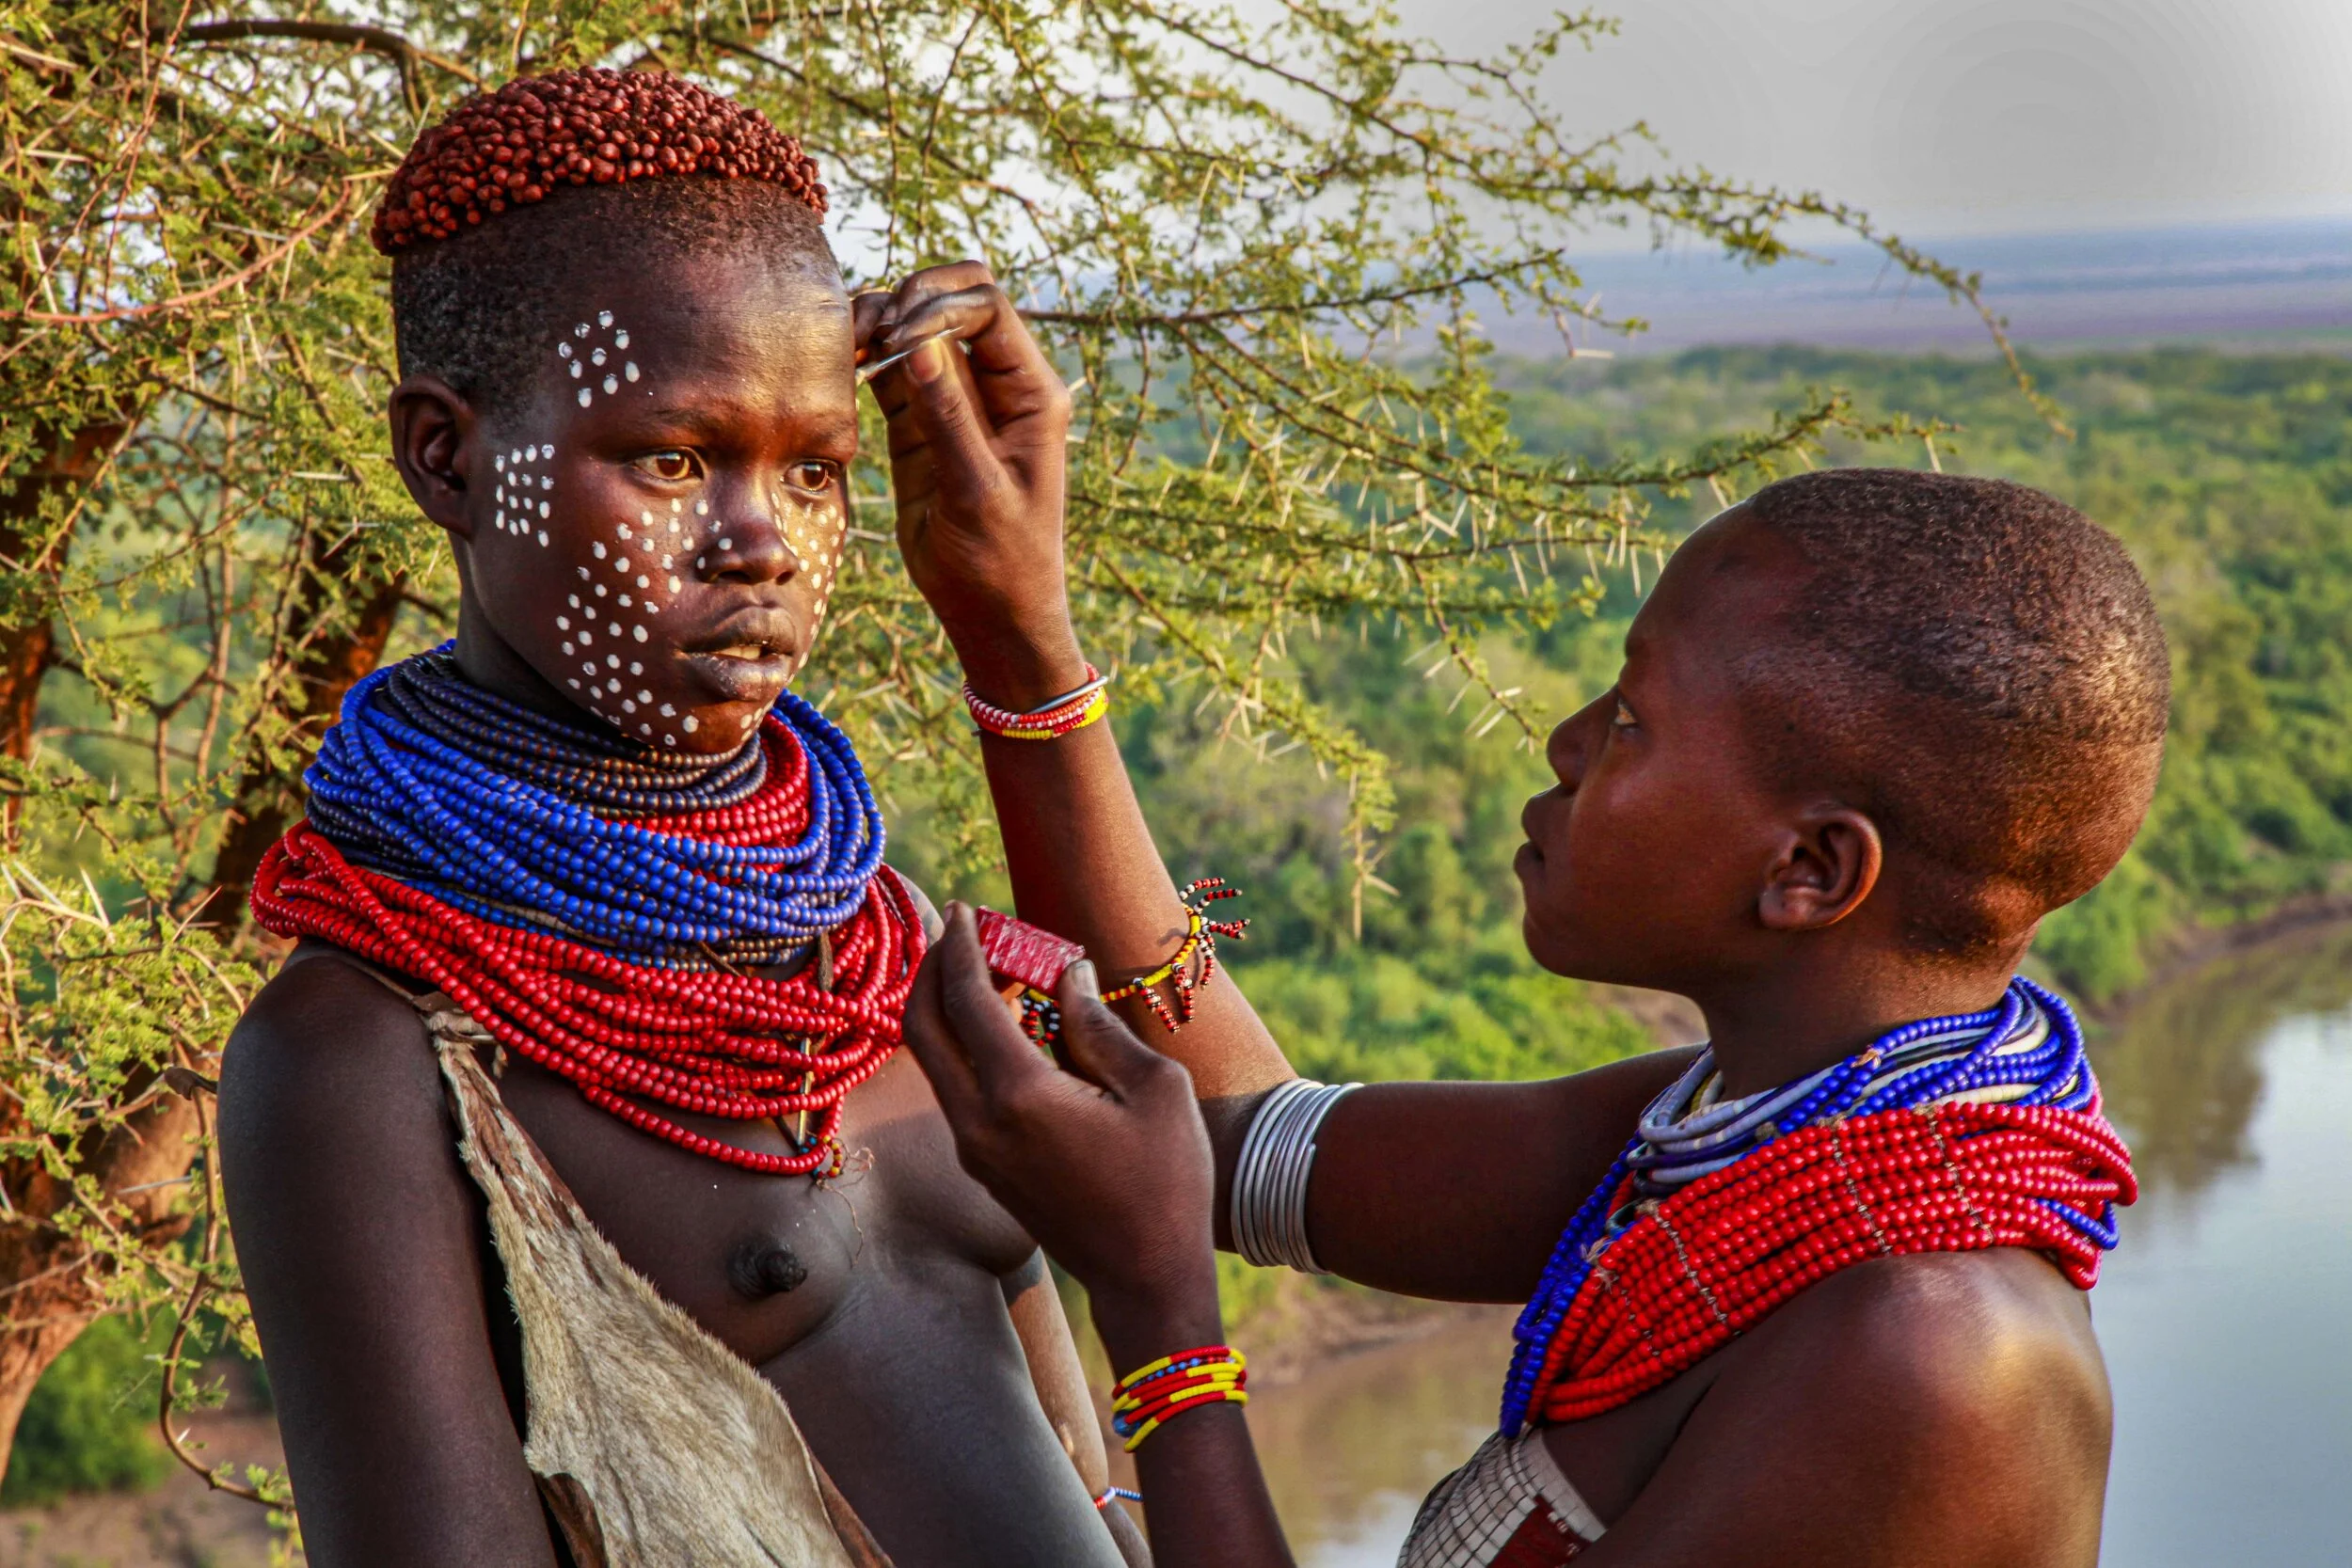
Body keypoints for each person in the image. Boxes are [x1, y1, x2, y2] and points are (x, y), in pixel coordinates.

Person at [888, 451, 2166, 1565]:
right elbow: (1237, 1147)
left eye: (1630, 720)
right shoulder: (1734, 1135)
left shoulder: (1926, 1363)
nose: (1563, 739)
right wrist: (1019, 633)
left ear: (1810, 871)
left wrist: (1160, 1320)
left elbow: (1171, 1207)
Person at [217, 69, 1152, 1568]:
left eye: (817, 471)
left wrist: (1024, 625)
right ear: (444, 456)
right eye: (671, 458)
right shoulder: (362, 1057)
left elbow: (1254, 1178)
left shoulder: (877, 930)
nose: (762, 542)